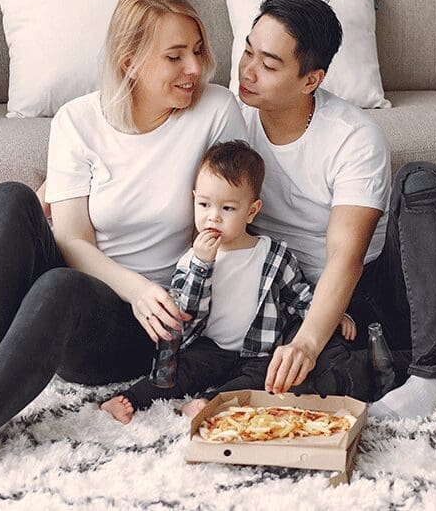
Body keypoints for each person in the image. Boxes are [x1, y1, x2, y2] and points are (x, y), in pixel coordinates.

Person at [0, 0, 247, 500]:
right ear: (131, 61)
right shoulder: (78, 120)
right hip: (111, 287)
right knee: (7, 200)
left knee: (59, 288)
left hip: (145, 328)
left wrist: (160, 297)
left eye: (198, 50)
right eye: (175, 55)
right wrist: (134, 286)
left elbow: (236, 214)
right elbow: (71, 238)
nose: (194, 67)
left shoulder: (215, 111)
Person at [235, 0, 436, 421]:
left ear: (310, 79)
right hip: (285, 293)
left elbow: (346, 257)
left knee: (422, 182)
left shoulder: (352, 136)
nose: (248, 71)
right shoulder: (231, 121)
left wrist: (306, 341)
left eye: (268, 64)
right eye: (247, 51)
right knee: (297, 381)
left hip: (366, 292)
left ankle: (428, 376)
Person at [100, 140, 357, 423]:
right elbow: (185, 314)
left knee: (264, 382)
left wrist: (334, 316)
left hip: (259, 351)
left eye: (228, 208)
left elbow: (299, 297)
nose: (213, 216)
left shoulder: (273, 255)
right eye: (204, 204)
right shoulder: (191, 259)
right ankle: (130, 399)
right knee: (178, 370)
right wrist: (202, 265)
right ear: (194, 198)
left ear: (251, 210)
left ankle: (209, 403)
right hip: (210, 347)